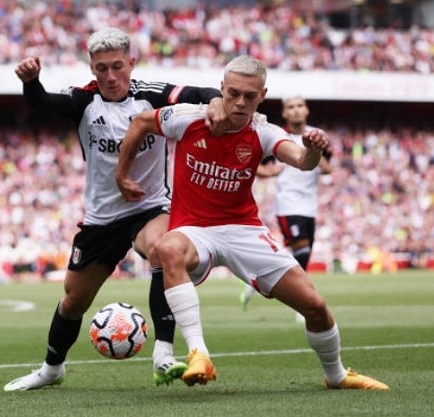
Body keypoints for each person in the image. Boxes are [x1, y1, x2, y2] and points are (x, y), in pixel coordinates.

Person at [115, 55, 389, 390]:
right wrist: (122, 175)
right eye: (233, 93)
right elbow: (141, 122)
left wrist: (314, 150)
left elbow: (302, 161)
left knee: (315, 307)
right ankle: (198, 353)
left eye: (250, 96)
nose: (240, 102)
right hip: (194, 231)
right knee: (166, 248)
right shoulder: (188, 119)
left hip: (244, 231)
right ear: (221, 90)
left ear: (262, 95)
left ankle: (336, 375)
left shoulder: (263, 132)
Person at [3, 27, 226, 391]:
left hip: (150, 206)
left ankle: (164, 353)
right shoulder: (84, 101)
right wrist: (31, 82)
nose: (110, 76)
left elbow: (200, 93)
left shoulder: (152, 95)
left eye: (117, 67)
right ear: (92, 68)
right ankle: (51, 369)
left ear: (131, 64)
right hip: (101, 218)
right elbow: (42, 103)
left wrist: (216, 102)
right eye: (102, 68)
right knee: (74, 300)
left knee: (162, 249)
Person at [240, 95, 332, 311]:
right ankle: (303, 301)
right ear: (285, 113)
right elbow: (254, 166)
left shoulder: (318, 135)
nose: (296, 110)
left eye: (300, 106)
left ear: (307, 110)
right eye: (291, 107)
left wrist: (317, 153)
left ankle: (258, 279)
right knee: (302, 250)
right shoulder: (277, 137)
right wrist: (270, 171)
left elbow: (328, 167)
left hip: (309, 204)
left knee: (297, 252)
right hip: (287, 204)